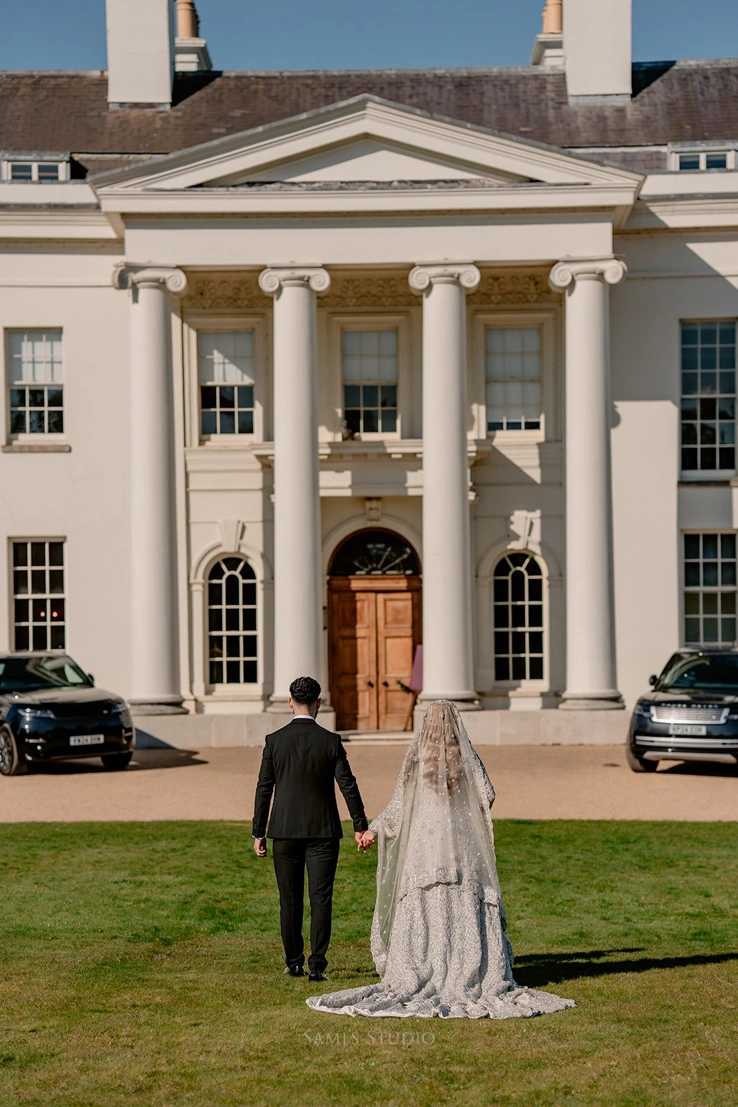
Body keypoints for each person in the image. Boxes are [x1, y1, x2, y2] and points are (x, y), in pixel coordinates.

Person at [306, 700, 575, 1019]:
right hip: (460, 843)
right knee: (461, 900)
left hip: (425, 845)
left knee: (425, 901)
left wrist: (373, 829)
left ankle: (423, 967)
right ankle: (466, 969)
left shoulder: (417, 758)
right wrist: (466, 811)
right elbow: (487, 793)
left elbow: (399, 805)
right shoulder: (466, 756)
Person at [252, 676, 372, 982]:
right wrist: (360, 825)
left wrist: (259, 831)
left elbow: (264, 788)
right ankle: (317, 965)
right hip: (323, 832)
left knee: (289, 900)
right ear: (318, 703)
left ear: (290, 702)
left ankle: (294, 962)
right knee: (321, 899)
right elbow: (348, 785)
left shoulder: (274, 741)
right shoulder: (330, 741)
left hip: (285, 831)